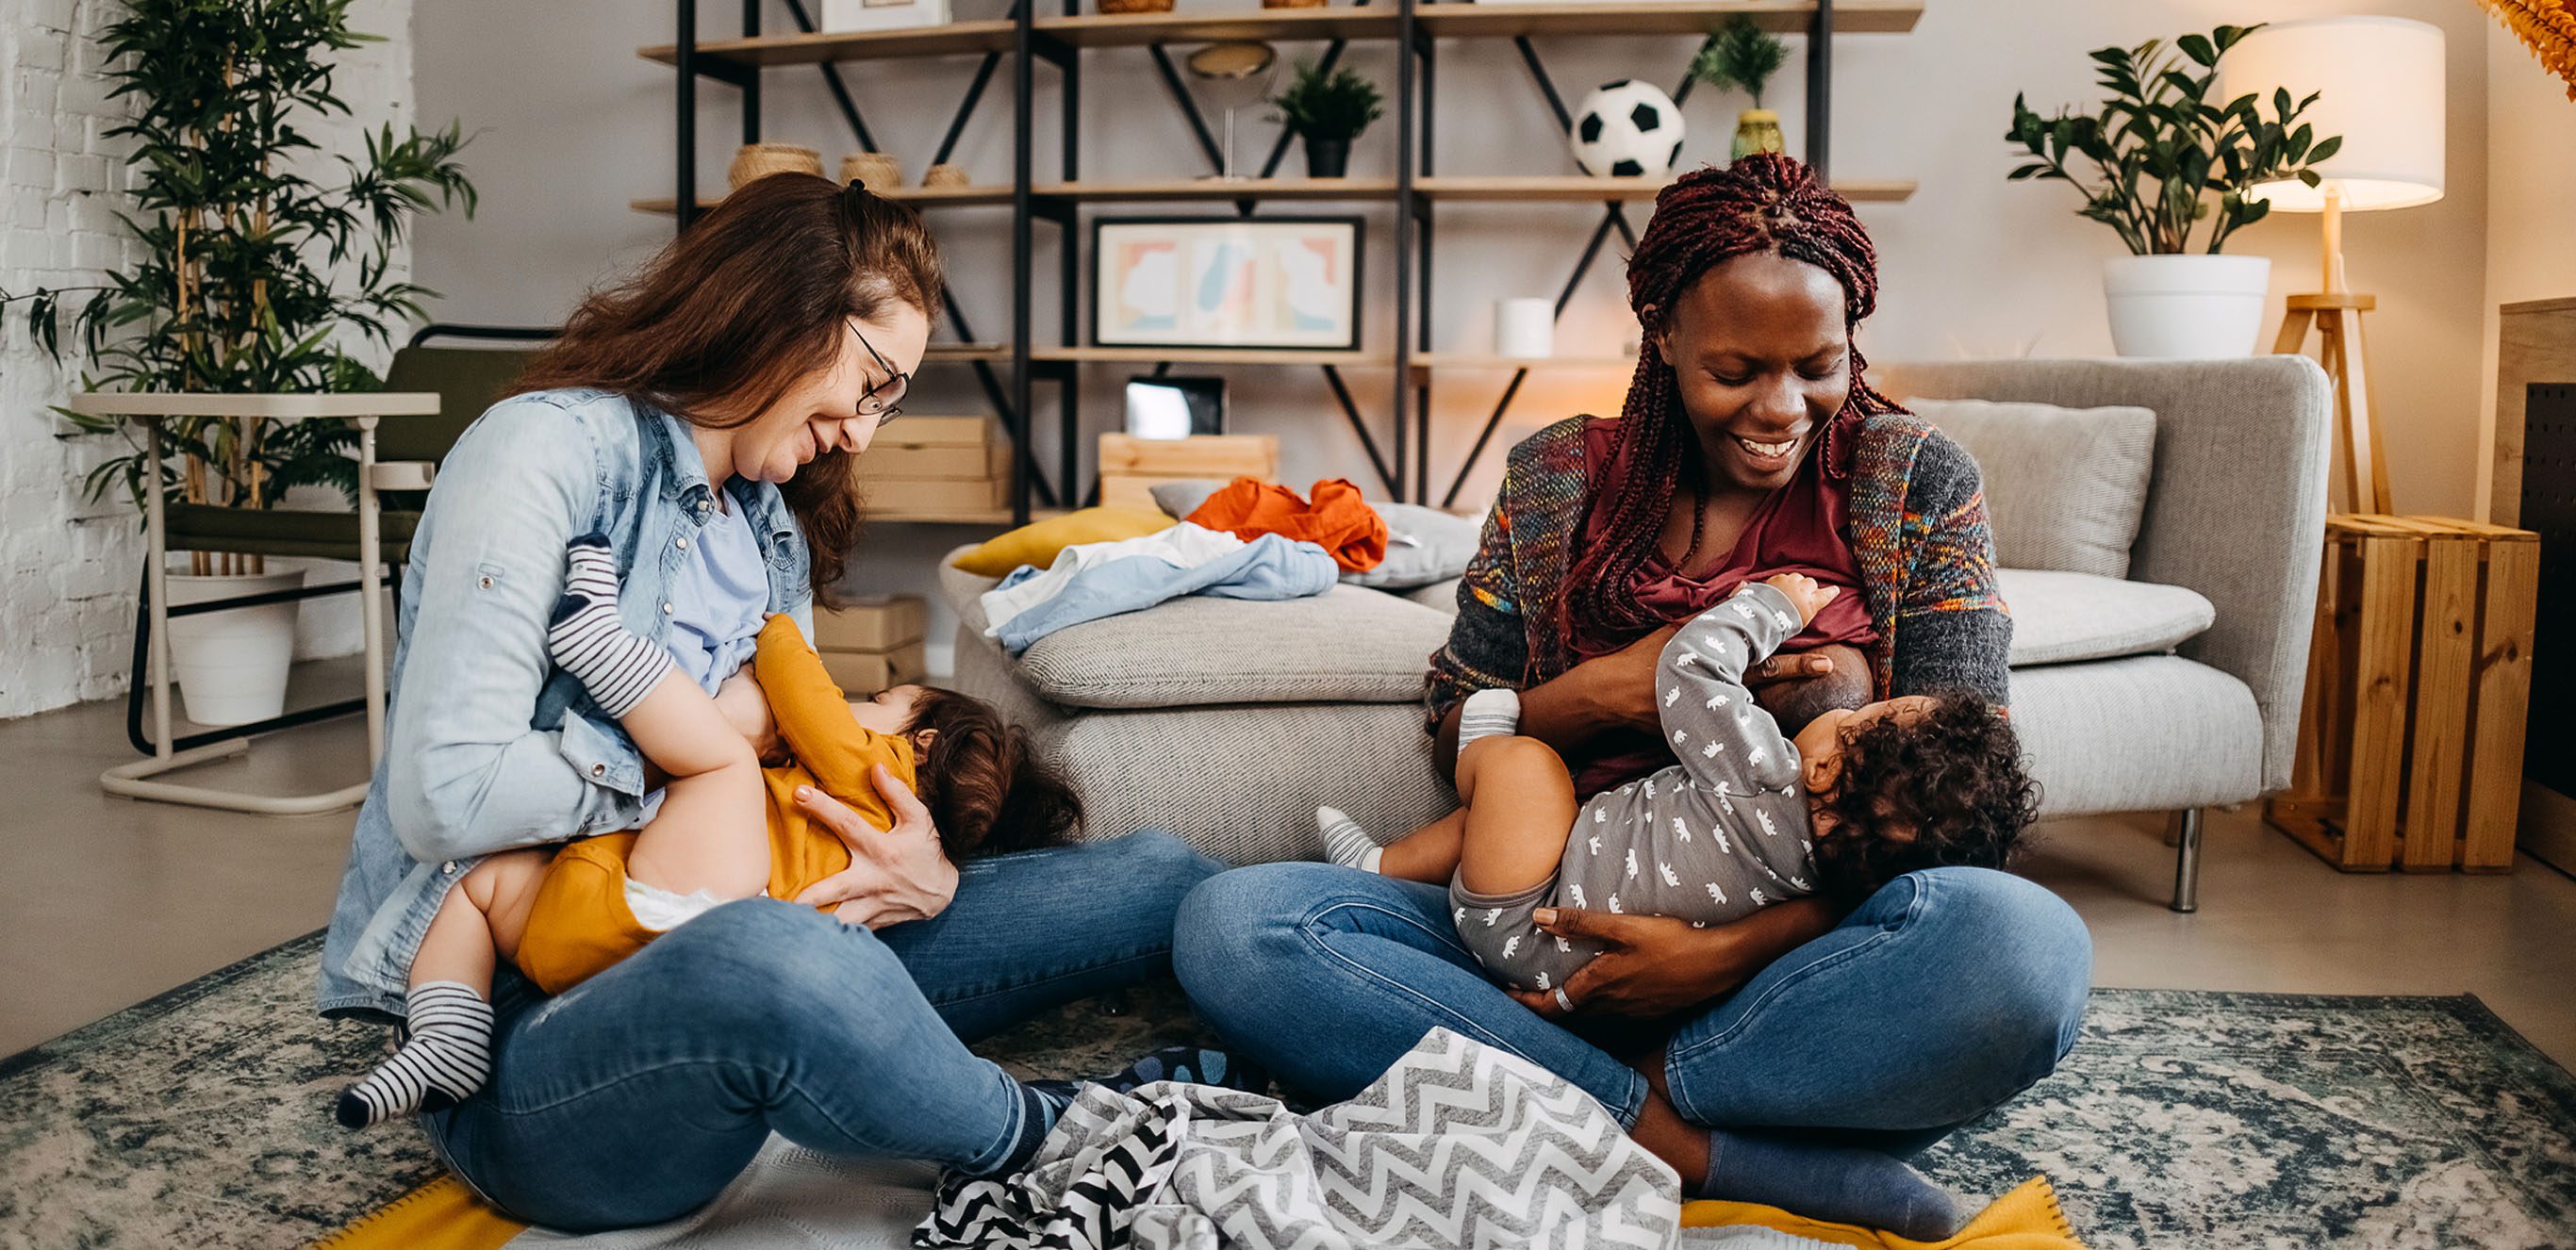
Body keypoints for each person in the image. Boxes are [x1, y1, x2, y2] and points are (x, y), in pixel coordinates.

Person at [1173, 155, 2091, 1242]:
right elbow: (1453, 722)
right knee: (1240, 926)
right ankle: (1675, 1136)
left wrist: (1719, 955)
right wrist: (1597, 697)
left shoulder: (1914, 481)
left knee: (2021, 950)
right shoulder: (1553, 477)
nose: (1780, 407)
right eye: (1736, 368)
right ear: (1659, 332)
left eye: (1818, 364)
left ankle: (1566, 1093)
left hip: (1792, 959)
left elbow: (1956, 780)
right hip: (1541, 916)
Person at [317, 174, 1240, 1231]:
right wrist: (714, 742)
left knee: (1155, 875)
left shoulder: (767, 521)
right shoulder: (543, 452)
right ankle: (1045, 1137)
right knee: (771, 955)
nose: (863, 434)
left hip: (739, 910)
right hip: (538, 1015)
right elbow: (446, 799)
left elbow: (794, 747)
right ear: (786, 308)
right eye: (873, 383)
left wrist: (921, 870)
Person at [334, 594, 1083, 1127]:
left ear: (918, 742)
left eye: (882, 697)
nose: (860, 702)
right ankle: (448, 1037)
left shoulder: (875, 779)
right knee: (477, 884)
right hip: (622, 938)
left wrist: (777, 623)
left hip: (663, 915)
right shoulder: (888, 824)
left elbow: (804, 694)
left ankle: (600, 642)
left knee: (716, 764)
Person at [1320, 571, 2037, 1011]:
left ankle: (1409, 837)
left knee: (1529, 768)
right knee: (1540, 818)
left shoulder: (1763, 774)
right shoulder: (1819, 871)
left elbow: (1689, 668)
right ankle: (1395, 860)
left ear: (1822, 774)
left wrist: (1773, 608)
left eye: (1861, 715)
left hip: (1531, 917)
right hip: (1568, 955)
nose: (1848, 708)